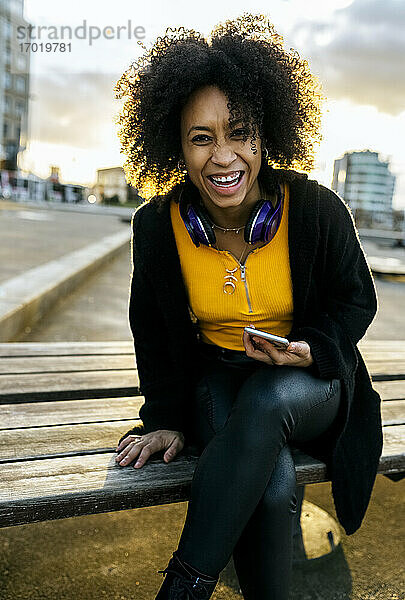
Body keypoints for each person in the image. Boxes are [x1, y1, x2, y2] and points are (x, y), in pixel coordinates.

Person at [114, 13, 383, 600]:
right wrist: (164, 417)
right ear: (176, 147)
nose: (223, 156)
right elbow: (152, 331)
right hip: (220, 381)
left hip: (309, 382)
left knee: (267, 396)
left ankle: (184, 587)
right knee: (272, 482)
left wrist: (312, 347)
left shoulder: (315, 209)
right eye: (201, 137)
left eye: (239, 133)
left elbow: (358, 298)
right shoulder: (158, 228)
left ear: (266, 136)